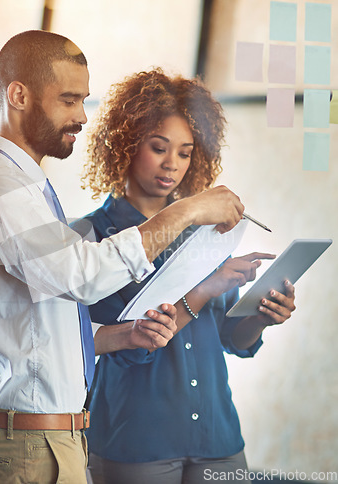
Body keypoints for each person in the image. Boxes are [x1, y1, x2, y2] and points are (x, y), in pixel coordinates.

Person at [0, 31, 246, 484]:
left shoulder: (29, 190)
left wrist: (121, 336)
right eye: (69, 100)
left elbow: (48, 328)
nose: (82, 117)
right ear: (19, 95)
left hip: (54, 437)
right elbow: (81, 277)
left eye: (83, 101)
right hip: (35, 439)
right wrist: (189, 210)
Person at [77, 69, 297, 484]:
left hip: (219, 438)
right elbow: (127, 347)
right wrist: (206, 288)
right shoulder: (97, 240)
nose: (171, 165)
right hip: (137, 441)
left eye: (185, 152)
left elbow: (233, 340)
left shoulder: (205, 233)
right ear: (125, 144)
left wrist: (262, 315)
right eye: (159, 148)